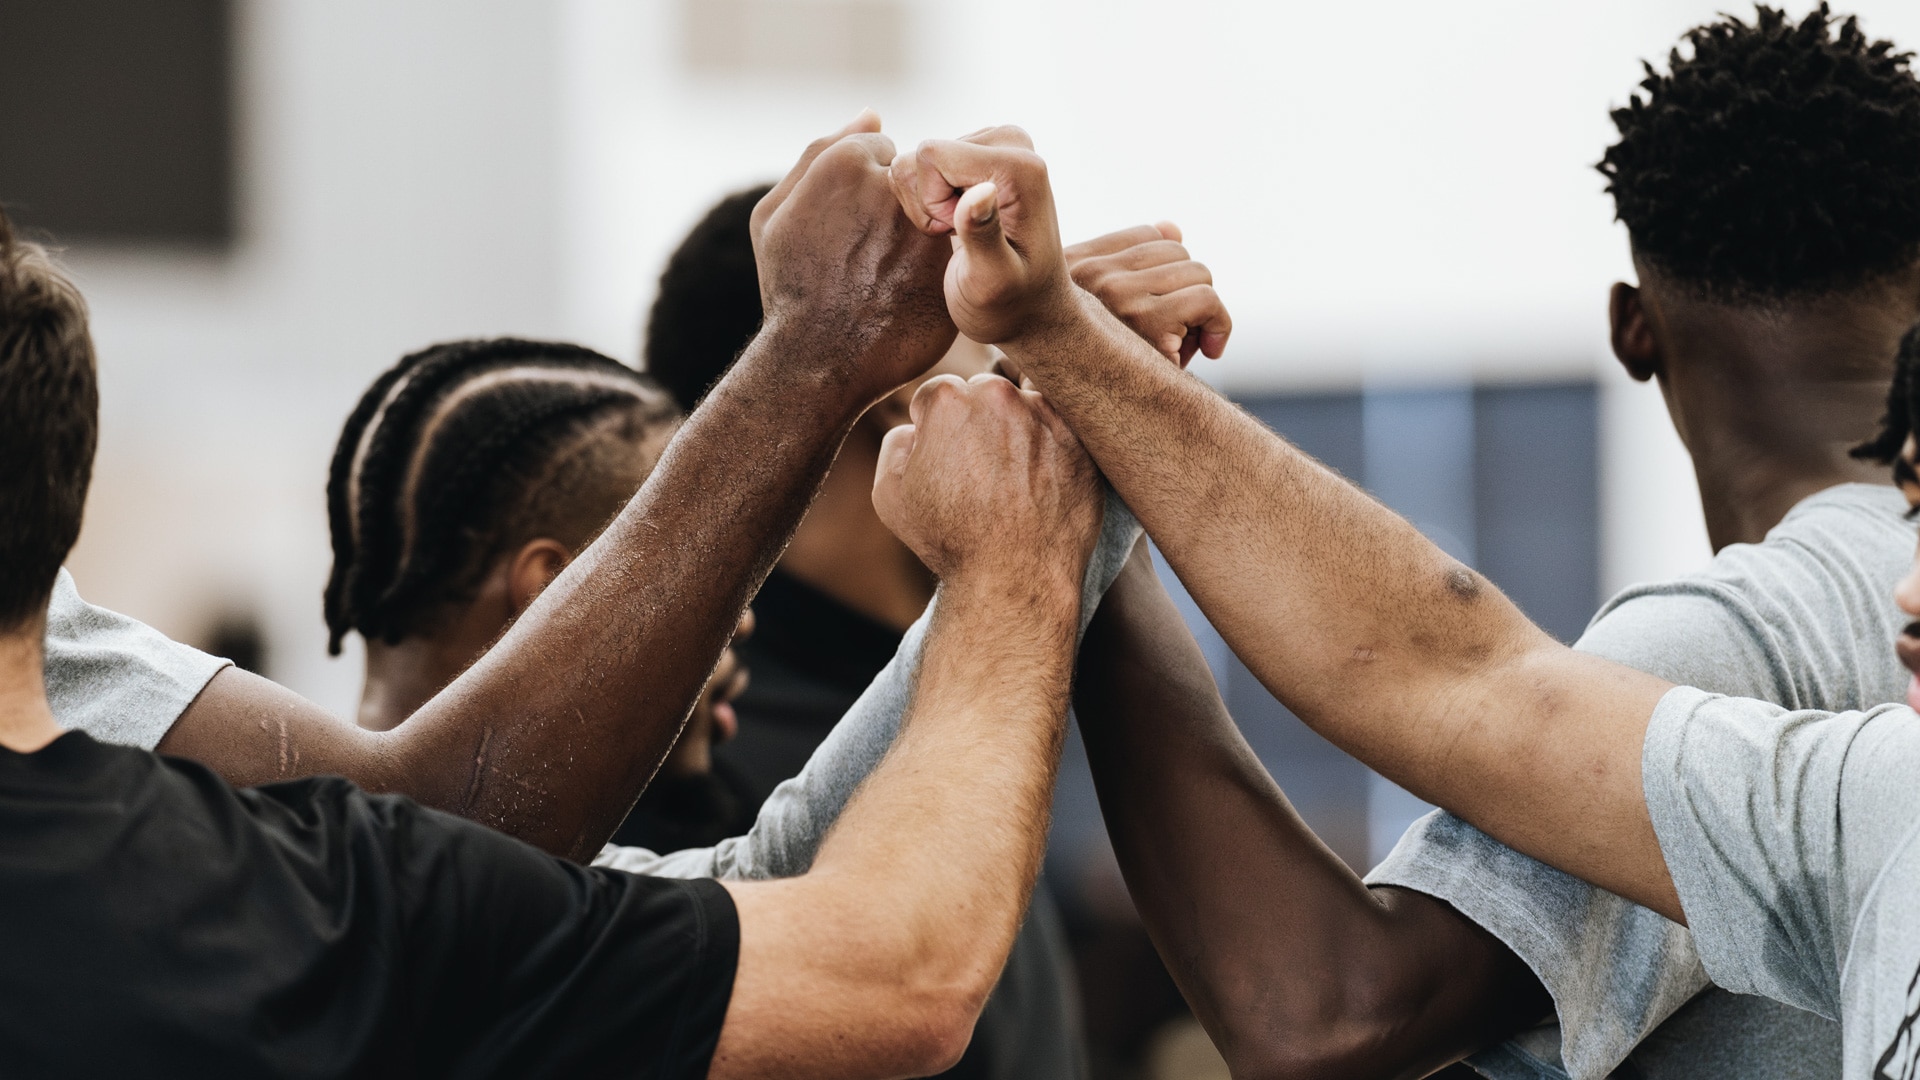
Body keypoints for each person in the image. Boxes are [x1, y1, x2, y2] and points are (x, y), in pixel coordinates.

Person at [0, 127, 1120, 1077]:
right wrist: (1018, 524)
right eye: (653, 544)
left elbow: (772, 894)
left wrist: (1084, 467)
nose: (735, 607)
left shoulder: (272, 873)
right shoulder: (258, 894)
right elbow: (884, 968)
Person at [880, 67, 1920, 1080]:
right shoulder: (1881, 623)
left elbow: (1322, 1015)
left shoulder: (1740, 640)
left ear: (1631, 329)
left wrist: (1075, 472)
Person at [43, 110, 960, 864]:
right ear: (551, 582)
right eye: (666, 550)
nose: (737, 612)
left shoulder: (219, 833)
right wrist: (821, 344)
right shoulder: (426, 879)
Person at [321, 338, 756, 853]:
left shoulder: (286, 846)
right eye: (696, 569)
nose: (741, 619)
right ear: (554, 592)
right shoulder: (535, 885)